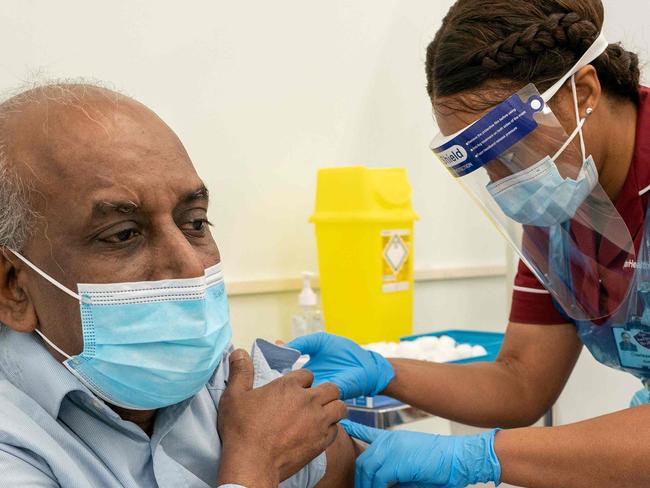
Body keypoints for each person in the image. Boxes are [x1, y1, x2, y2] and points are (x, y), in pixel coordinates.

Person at [289, 1, 650, 486]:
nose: (502, 179)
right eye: (482, 161)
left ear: (582, 92)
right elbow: (522, 381)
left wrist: (481, 454)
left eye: (509, 149)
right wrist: (382, 369)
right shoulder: (564, 196)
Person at [0, 82, 357, 487]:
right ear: (14, 286)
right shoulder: (14, 442)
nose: (190, 266)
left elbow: (338, 465)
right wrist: (254, 468)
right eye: (123, 234)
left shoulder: (226, 380)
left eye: (196, 222)